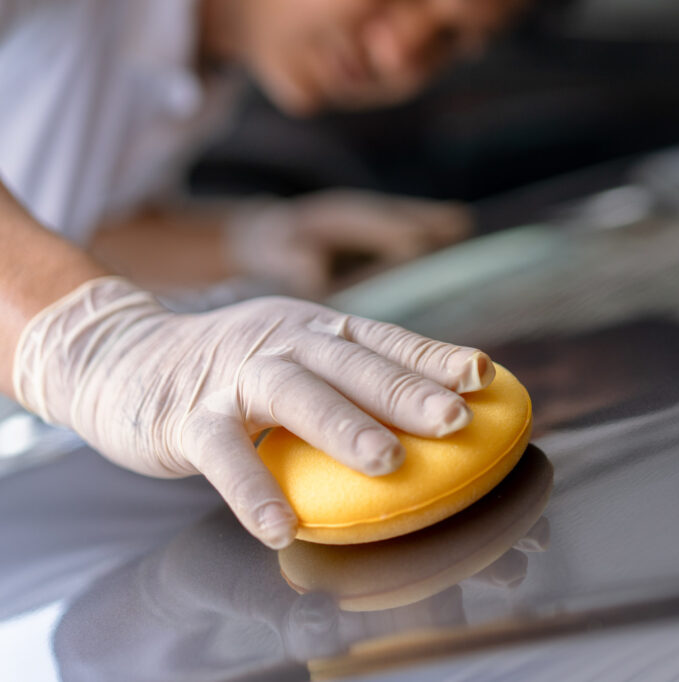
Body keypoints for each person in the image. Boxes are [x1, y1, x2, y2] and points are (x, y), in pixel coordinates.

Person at [0, 0, 530, 550]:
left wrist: (255, 240)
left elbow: (74, 222)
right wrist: (95, 345)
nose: (395, 55)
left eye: (447, 38)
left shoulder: (209, 68)